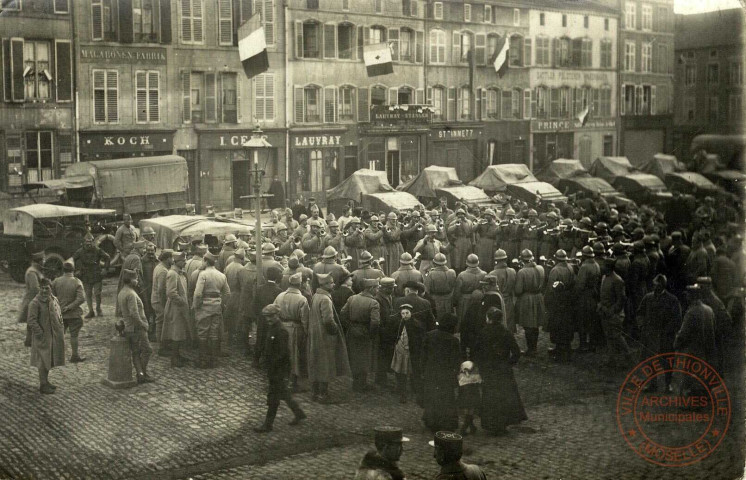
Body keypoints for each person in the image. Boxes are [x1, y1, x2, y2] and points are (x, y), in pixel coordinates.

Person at [253, 304, 307, 433]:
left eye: (271, 317)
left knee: (273, 396)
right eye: (267, 317)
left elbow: (282, 353)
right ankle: (298, 413)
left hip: (279, 368)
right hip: (274, 367)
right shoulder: (272, 327)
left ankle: (268, 425)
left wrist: (270, 363)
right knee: (283, 393)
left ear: (277, 315)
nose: (269, 319)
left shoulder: (281, 331)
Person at [473, 306, 527, 435]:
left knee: (490, 396)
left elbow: (476, 352)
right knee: (504, 396)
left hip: (488, 370)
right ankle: (503, 424)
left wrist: (481, 366)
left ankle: (491, 424)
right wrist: (508, 363)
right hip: (503, 369)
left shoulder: (483, 333)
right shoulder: (505, 332)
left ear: (488, 318)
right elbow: (516, 352)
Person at [307, 273, 351, 403]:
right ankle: (323, 395)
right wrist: (335, 330)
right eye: (331, 283)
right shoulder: (325, 299)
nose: (333, 285)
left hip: (315, 333)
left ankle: (315, 393)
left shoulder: (316, 295)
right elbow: (328, 320)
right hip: (324, 336)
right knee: (325, 364)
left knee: (316, 361)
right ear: (325, 285)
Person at [636, 274, 682, 392]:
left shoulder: (672, 299)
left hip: (665, 336)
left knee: (667, 361)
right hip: (650, 335)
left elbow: (677, 319)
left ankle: (668, 385)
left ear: (662, 285)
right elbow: (640, 313)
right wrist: (641, 325)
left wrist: (668, 331)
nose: (653, 286)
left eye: (656, 284)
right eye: (653, 284)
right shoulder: (648, 297)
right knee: (650, 360)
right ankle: (652, 384)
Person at [421, 313, 460, 432]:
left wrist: (423, 370)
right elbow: (456, 360)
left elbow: (423, 356)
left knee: (432, 397)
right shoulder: (453, 340)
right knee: (446, 398)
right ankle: (445, 422)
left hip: (431, 372)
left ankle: (431, 421)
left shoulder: (429, 335)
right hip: (445, 374)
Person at [340, 278, 381, 392]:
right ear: (371, 288)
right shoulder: (374, 303)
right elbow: (375, 322)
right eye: (377, 287)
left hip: (352, 331)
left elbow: (342, 313)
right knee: (364, 358)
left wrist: (349, 326)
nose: (378, 290)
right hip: (365, 331)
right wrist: (371, 334)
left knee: (354, 357)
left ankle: (356, 382)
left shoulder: (352, 298)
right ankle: (362, 384)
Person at [675, 285, 716, 393]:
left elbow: (683, 333)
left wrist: (676, 344)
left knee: (690, 377)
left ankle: (692, 402)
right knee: (703, 376)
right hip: (707, 349)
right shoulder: (709, 310)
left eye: (688, 295)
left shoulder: (691, 312)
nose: (686, 297)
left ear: (692, 296)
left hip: (693, 350)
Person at [274, 272, 311, 392]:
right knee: (294, 355)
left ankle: (282, 380)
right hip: (295, 328)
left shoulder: (280, 296)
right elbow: (305, 319)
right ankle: (292, 383)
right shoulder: (302, 299)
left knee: (282, 352)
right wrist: (306, 332)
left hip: (281, 327)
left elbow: (274, 311)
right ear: (300, 285)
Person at [193, 251, 231, 368]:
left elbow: (198, 293)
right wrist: (222, 304)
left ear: (205, 261)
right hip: (216, 307)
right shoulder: (221, 275)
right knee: (214, 333)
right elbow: (228, 293)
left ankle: (203, 360)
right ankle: (214, 360)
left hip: (204, 306)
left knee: (202, 333)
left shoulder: (203, 274)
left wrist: (197, 305)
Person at [28, 278, 66, 394]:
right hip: (43, 336)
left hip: (53, 335)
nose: (44, 290)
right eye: (42, 288)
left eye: (47, 288)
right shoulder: (35, 303)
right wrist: (40, 333)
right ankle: (43, 384)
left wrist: (60, 328)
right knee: (43, 360)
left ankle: (46, 381)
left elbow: (58, 314)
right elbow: (31, 320)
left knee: (49, 359)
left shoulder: (54, 299)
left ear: (51, 288)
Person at [118, 269, 154, 384]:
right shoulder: (131, 294)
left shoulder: (122, 292)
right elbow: (134, 313)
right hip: (136, 328)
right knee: (147, 350)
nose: (137, 281)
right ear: (131, 280)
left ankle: (140, 374)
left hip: (129, 328)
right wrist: (143, 324)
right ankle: (142, 373)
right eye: (136, 279)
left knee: (136, 352)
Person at [598, 257, 633, 368]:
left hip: (614, 314)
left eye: (604, 265)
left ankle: (628, 357)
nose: (602, 267)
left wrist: (613, 311)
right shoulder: (604, 277)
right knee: (609, 336)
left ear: (608, 267)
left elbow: (621, 299)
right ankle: (611, 359)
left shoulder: (617, 280)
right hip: (604, 311)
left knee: (617, 336)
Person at [51, 259, 86, 363]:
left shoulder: (56, 281)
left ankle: (56, 356)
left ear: (63, 270)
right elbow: (81, 298)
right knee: (74, 335)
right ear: (73, 270)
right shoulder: (77, 282)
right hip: (74, 314)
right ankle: (74, 355)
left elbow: (51, 297)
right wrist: (70, 307)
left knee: (59, 335)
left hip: (60, 313)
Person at [514, 249, 545, 356]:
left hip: (527, 298)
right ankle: (534, 347)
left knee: (528, 325)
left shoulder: (522, 272)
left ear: (522, 259)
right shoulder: (541, 268)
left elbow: (518, 290)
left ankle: (531, 349)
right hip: (538, 297)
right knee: (535, 324)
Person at [162, 251, 190, 368]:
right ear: (177, 261)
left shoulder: (180, 273)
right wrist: (182, 302)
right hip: (176, 307)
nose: (185, 262)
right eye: (183, 260)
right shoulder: (173, 274)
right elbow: (171, 293)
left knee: (180, 331)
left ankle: (178, 355)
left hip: (180, 307)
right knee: (176, 332)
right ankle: (174, 358)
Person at [252, 267, 284, 366]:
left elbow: (254, 304)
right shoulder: (278, 290)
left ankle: (256, 359)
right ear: (276, 277)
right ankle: (268, 360)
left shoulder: (259, 288)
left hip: (262, 317)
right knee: (271, 338)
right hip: (273, 319)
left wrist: (259, 315)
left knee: (260, 337)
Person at [73, 233, 110, 318]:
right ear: (84, 242)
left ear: (93, 242)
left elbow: (107, 257)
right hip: (85, 274)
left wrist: (106, 269)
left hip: (97, 273)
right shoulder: (80, 251)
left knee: (97, 293)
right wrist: (77, 270)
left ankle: (98, 309)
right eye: (87, 242)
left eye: (90, 242)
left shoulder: (97, 250)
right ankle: (91, 311)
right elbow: (73, 259)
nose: (88, 244)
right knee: (88, 294)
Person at [574, 245, 601, 353]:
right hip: (593, 294)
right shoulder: (596, 264)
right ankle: (592, 343)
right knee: (591, 320)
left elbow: (580, 285)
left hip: (584, 296)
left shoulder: (584, 267)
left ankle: (583, 345)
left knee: (582, 321)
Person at [453, 254, 486, 331]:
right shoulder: (484, 274)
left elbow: (457, 291)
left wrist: (455, 301)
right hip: (479, 299)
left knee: (464, 318)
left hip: (464, 300)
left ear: (467, 263)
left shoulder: (462, 275)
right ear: (478, 263)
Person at [375, 277, 398, 389]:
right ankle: (380, 378)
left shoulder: (388, 296)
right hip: (383, 329)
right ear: (384, 288)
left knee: (387, 352)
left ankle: (383, 375)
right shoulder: (378, 299)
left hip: (388, 328)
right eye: (391, 288)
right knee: (382, 354)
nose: (393, 290)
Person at [150, 249, 173, 356]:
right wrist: (164, 304)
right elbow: (161, 290)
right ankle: (162, 347)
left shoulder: (158, 267)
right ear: (167, 258)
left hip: (156, 299)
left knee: (160, 322)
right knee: (161, 323)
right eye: (171, 258)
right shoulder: (163, 271)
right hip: (159, 301)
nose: (172, 260)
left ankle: (163, 344)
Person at [116, 240, 146, 317]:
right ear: (138, 249)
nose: (144, 250)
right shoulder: (136, 258)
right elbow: (136, 275)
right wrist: (140, 288)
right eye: (143, 248)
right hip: (132, 286)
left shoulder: (130, 256)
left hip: (125, 284)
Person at [423, 253, 457, 321]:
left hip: (436, 300)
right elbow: (454, 286)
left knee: (438, 319)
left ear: (434, 263)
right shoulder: (452, 272)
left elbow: (426, 290)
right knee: (449, 319)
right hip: (448, 300)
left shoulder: (431, 274)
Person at [490, 249, 516, 333]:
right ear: (505, 259)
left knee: (499, 324)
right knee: (509, 323)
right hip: (509, 301)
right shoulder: (513, 271)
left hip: (497, 302)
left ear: (496, 261)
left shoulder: (493, 273)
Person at [457, 359, 482, 436]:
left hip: (468, 384)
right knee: (469, 406)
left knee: (468, 406)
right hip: (469, 386)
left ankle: (469, 426)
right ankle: (466, 427)